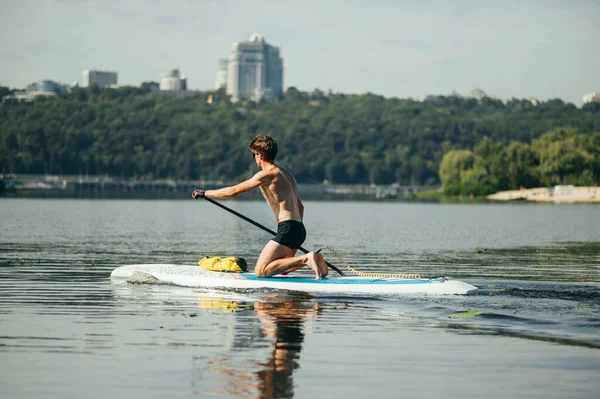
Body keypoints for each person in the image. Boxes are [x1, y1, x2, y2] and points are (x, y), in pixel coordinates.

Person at [192, 135, 328, 279]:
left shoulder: (267, 175)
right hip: (299, 228)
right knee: (281, 267)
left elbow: (233, 191)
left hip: (288, 228)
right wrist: (292, 229)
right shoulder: (288, 175)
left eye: (254, 155)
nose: (254, 158)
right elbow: (300, 207)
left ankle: (306, 259)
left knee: (261, 271)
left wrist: (205, 193)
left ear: (260, 155)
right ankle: (315, 259)